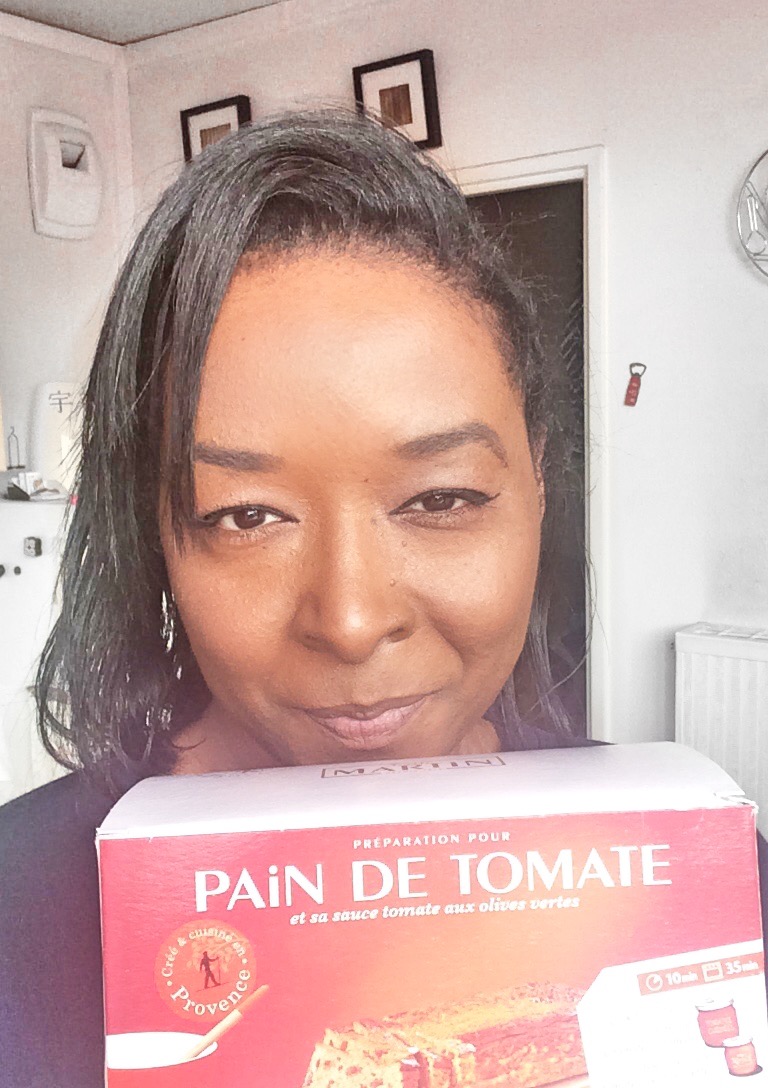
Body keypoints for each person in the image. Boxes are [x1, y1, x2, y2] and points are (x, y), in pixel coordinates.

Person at [0, 109, 761, 1088]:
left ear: (538, 479)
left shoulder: (703, 878)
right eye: (245, 514)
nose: (353, 621)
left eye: (441, 498)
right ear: (156, 529)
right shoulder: (21, 907)